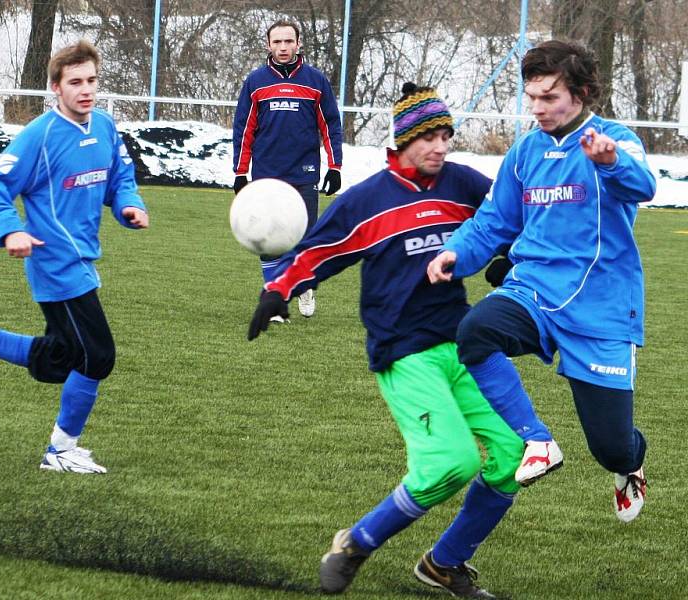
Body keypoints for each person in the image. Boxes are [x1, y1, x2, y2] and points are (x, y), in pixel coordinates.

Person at [249, 83, 523, 599]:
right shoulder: (367, 200)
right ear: (402, 140)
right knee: (451, 462)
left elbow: (505, 222)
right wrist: (277, 290)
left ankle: (444, 564)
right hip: (405, 352)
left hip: (463, 345)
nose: (441, 147)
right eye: (430, 137)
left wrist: (508, 257)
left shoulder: (463, 185)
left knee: (516, 454)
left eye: (446, 135)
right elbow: (317, 252)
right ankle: (355, 543)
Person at [427, 40, 654, 522]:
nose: (537, 108)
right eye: (532, 97)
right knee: (476, 331)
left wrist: (610, 162)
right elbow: (493, 221)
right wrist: (456, 252)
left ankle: (629, 465)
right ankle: (537, 440)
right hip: (532, 288)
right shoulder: (525, 151)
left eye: (549, 97)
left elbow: (643, 185)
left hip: (602, 307)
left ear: (581, 93)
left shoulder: (614, 139)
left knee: (610, 447)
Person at [0, 40, 149, 475]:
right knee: (98, 355)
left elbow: (120, 177)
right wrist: (9, 231)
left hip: (83, 260)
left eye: (91, 81)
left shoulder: (103, 126)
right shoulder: (39, 136)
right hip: (55, 263)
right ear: (56, 87)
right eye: (75, 82)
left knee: (61, 358)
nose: (85, 90)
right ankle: (61, 450)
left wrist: (128, 205)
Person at [232, 20, 343, 320]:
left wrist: (335, 166)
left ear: (298, 44)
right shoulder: (255, 82)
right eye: (277, 42)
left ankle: (304, 285)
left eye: (288, 41)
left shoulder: (315, 81)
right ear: (268, 45)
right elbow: (244, 130)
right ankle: (275, 301)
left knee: (306, 239)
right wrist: (240, 172)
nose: (283, 47)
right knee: (267, 238)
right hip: (266, 176)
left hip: (304, 173)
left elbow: (331, 125)